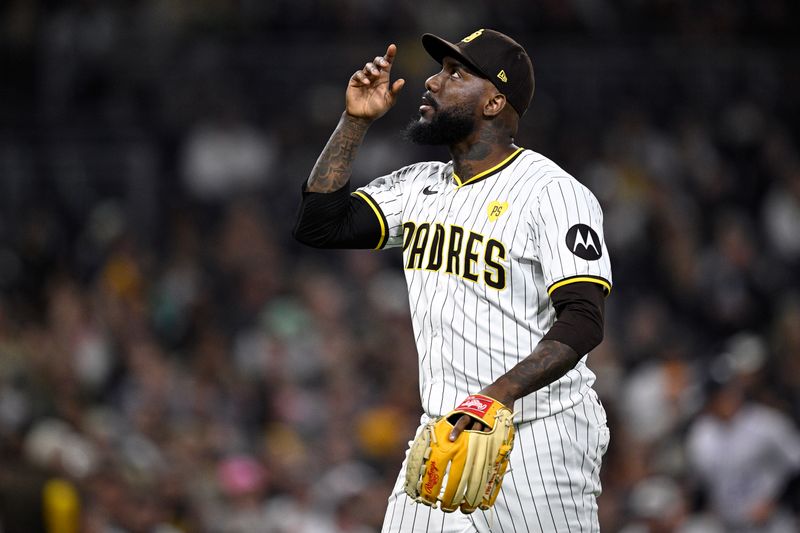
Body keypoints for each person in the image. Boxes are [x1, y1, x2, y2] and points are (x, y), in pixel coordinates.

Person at [294, 28, 612, 532]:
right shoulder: (418, 185)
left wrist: (496, 396)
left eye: (455, 73)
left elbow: (583, 321)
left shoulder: (553, 194)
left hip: (541, 435)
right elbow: (318, 225)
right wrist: (353, 123)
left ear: (494, 102)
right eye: (441, 69)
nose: (434, 82)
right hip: (443, 430)